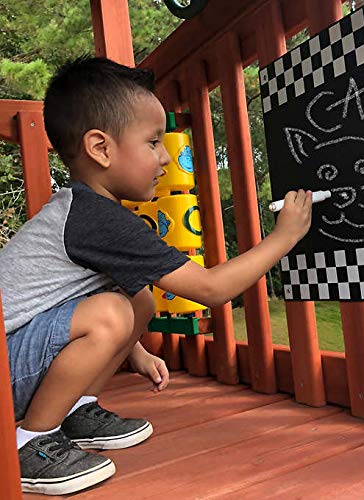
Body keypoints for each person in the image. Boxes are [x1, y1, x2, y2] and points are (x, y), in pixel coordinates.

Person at [0, 56, 312, 495]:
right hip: (5, 374)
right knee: (110, 312)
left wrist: (137, 352)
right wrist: (285, 236)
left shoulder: (86, 210)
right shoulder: (95, 217)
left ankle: (74, 410)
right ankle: (28, 444)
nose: (165, 157)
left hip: (15, 357)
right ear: (100, 148)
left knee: (138, 299)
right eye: (152, 142)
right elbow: (211, 289)